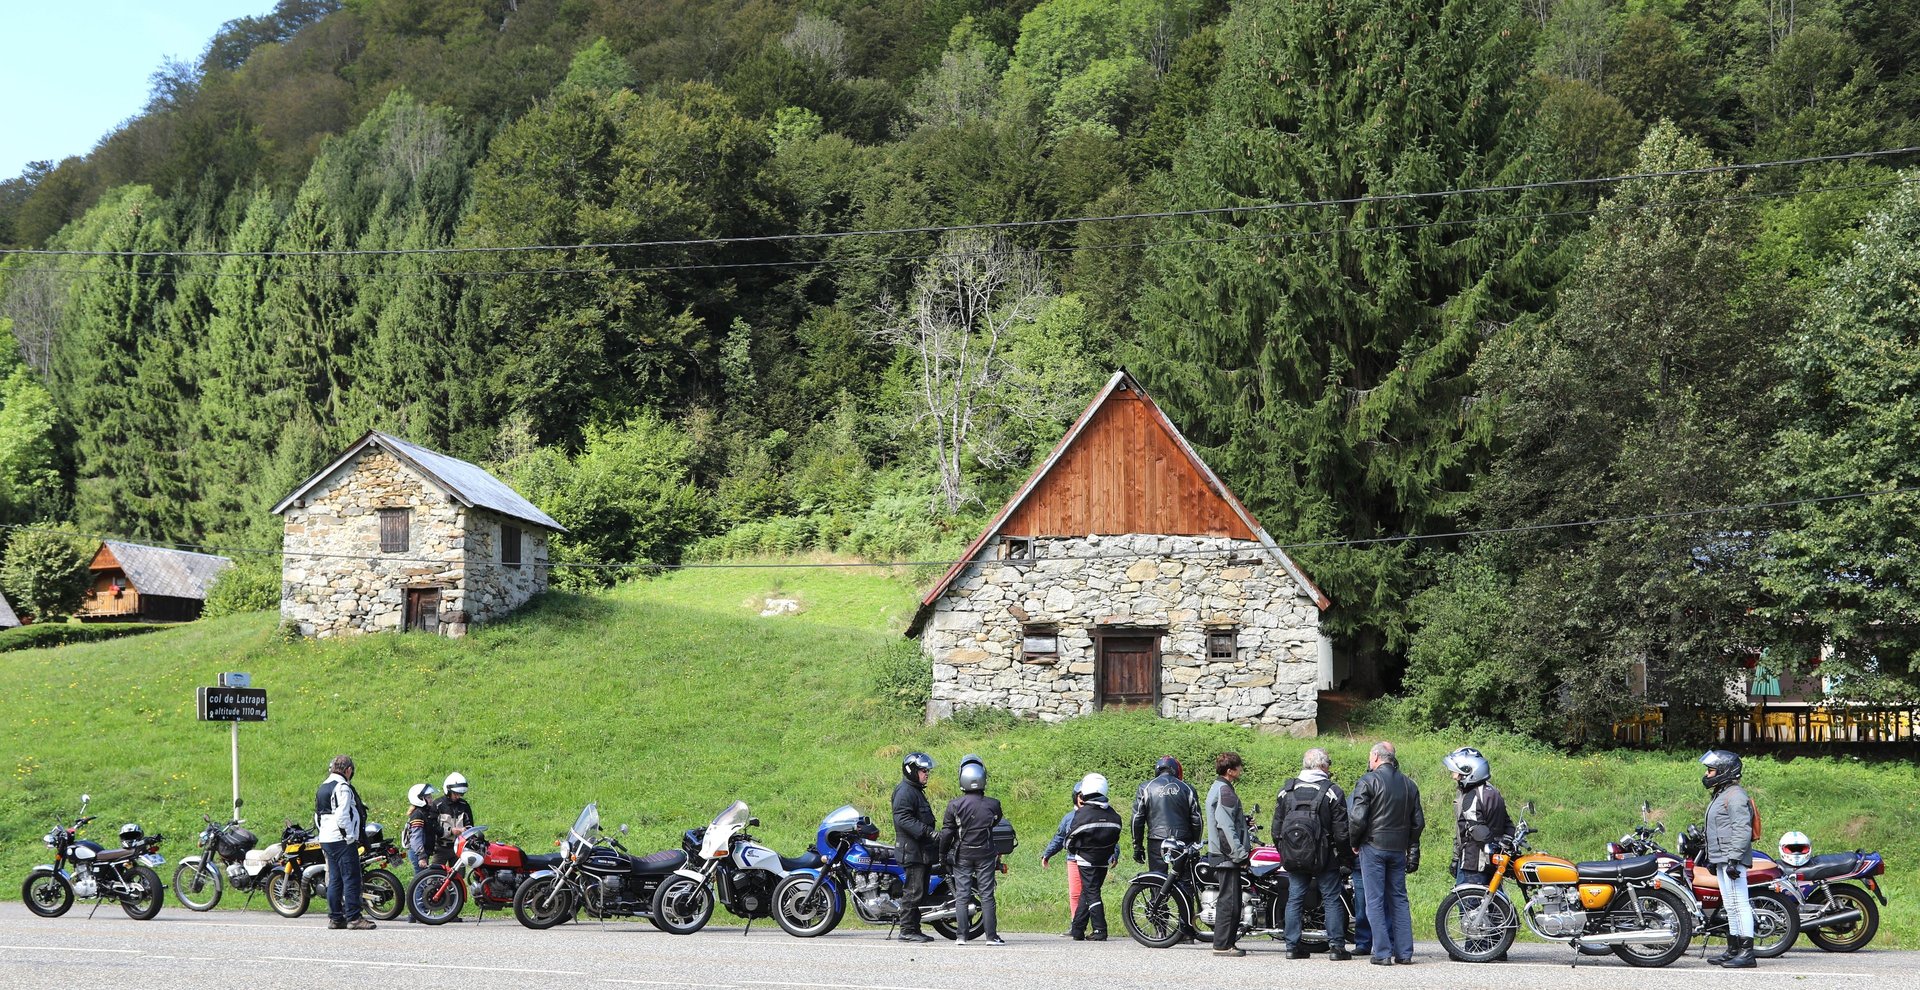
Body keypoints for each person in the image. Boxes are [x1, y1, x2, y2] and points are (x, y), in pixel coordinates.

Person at [1350, 741, 1422, 965]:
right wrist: (1408, 843)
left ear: (1376, 757)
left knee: (1375, 900)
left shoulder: (1368, 781)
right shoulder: (1410, 785)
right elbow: (1418, 822)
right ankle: (1404, 953)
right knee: (1399, 899)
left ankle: (1382, 953)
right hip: (1397, 849)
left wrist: (1355, 842)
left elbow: (1357, 817)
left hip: (1373, 846)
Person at [1277, 748, 1350, 960]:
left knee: (1295, 898)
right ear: (1324, 766)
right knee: (1331, 898)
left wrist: (1286, 852)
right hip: (1325, 857)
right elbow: (1342, 832)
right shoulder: (1332, 791)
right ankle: (1336, 948)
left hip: (1294, 855)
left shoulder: (1286, 790)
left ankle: (1292, 947)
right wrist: (1345, 857)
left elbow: (1276, 828)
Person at [942, 754, 1007, 946]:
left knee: (962, 895)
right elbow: (995, 821)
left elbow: (947, 833)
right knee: (987, 895)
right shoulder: (993, 804)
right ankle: (991, 937)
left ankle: (961, 936)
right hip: (986, 854)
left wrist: (942, 854)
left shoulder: (954, 805)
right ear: (982, 778)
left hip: (963, 854)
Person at [1702, 750, 1758, 969]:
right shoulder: (1723, 793)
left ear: (1725, 771)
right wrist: (1712, 858)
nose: (1707, 774)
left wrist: (1734, 859)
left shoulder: (1735, 796)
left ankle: (1747, 953)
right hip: (1722, 858)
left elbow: (1741, 829)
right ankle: (1734, 949)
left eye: (1711, 769)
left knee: (1739, 903)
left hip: (1731, 858)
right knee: (1731, 905)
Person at [315, 754, 374, 930]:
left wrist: (324, 833)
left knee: (335, 879)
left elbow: (317, 816)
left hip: (326, 838)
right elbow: (342, 815)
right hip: (341, 840)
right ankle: (354, 918)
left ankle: (335, 918)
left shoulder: (323, 786)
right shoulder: (343, 787)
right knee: (352, 878)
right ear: (348, 770)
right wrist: (349, 836)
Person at [1065, 772, 1123, 942]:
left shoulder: (1083, 814)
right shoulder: (1113, 813)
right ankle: (1078, 930)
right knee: (1088, 892)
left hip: (1086, 859)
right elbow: (1116, 834)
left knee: (1091, 892)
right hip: (1104, 860)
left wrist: (1075, 851)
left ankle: (1100, 929)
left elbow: (1070, 838)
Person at [1443, 747, 1510, 888]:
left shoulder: (1472, 796)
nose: (1454, 777)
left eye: (1457, 773)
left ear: (1470, 771)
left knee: (1469, 906)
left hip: (1474, 864)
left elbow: (1475, 830)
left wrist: (1490, 848)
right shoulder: (1493, 791)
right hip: (1494, 861)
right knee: (1495, 905)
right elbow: (1508, 824)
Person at [1205, 752, 1251, 957]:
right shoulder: (1225, 791)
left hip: (1223, 853)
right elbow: (1225, 826)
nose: (1241, 770)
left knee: (1229, 899)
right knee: (1229, 902)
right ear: (1230, 771)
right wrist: (1239, 854)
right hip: (1227, 855)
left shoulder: (1219, 788)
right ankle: (1223, 945)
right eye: (1238, 767)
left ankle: (1225, 943)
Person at [891, 751, 937, 944]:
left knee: (919, 892)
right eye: (922, 770)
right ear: (911, 771)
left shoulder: (914, 790)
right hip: (912, 850)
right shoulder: (904, 792)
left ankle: (914, 928)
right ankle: (907, 930)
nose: (926, 774)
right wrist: (928, 832)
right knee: (913, 891)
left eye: (927, 771)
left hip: (920, 850)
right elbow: (903, 818)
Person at [1132, 755, 1201, 874]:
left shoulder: (1145, 788)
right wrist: (1196, 842)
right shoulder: (1187, 788)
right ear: (1176, 770)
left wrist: (1137, 846)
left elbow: (1137, 819)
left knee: (1156, 879)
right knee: (1186, 879)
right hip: (1183, 840)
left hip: (1156, 840)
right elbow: (1197, 818)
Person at [1038, 784, 1084, 935]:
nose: (1083, 799)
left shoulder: (1097, 814)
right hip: (1074, 859)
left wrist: (1113, 853)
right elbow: (1059, 838)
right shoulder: (1069, 818)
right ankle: (1075, 926)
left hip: (1094, 859)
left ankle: (1097, 927)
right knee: (1075, 894)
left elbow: (1108, 836)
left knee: (1091, 893)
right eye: (1080, 795)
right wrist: (1047, 854)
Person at [402, 782, 437, 924]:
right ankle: (415, 912)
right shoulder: (418, 814)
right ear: (420, 798)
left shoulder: (425, 813)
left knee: (421, 881)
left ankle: (417, 912)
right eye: (428, 796)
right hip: (418, 853)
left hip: (422, 852)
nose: (431, 799)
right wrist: (422, 856)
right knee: (420, 882)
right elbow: (416, 838)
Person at [430, 771, 475, 867]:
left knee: (457, 877)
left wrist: (465, 830)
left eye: (460, 794)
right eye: (455, 794)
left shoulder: (464, 805)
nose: (458, 796)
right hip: (440, 848)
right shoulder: (437, 805)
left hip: (459, 847)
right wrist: (450, 831)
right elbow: (433, 826)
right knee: (434, 875)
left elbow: (470, 825)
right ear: (448, 791)